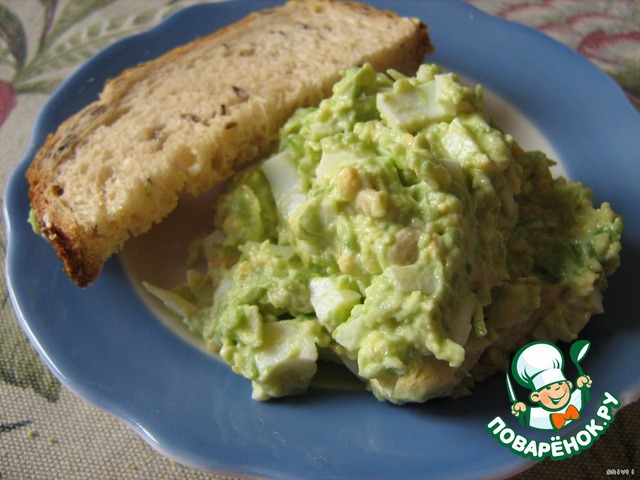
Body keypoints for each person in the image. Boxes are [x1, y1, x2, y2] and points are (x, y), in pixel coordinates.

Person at [510, 341, 592, 430]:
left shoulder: (576, 400)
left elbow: (584, 394)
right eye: (548, 388)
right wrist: (522, 410)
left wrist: (582, 386)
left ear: (569, 385)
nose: (557, 390)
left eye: (560, 384)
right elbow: (526, 417)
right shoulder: (539, 417)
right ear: (535, 396)